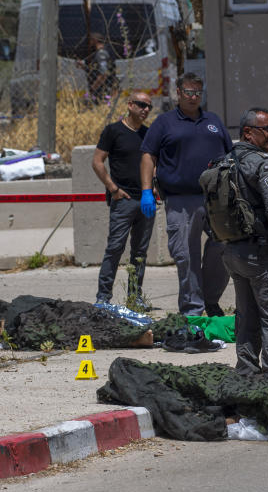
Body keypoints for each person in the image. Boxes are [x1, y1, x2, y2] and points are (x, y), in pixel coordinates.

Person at [139, 73, 233, 316]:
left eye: (198, 93)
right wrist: (146, 191)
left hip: (216, 200)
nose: (193, 97)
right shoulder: (164, 123)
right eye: (189, 93)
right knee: (186, 256)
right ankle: (192, 310)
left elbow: (231, 155)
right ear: (178, 93)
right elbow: (148, 155)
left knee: (225, 247)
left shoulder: (213, 120)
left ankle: (210, 301)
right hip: (181, 201)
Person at [222, 108, 268, 375]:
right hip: (263, 254)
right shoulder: (262, 163)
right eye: (266, 129)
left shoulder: (224, 161)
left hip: (234, 252)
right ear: (247, 133)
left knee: (246, 318)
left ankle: (246, 376)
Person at [92, 91, 155, 309]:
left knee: (140, 252)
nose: (145, 109)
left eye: (149, 106)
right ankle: (103, 296)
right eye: (141, 105)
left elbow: (154, 164)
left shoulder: (148, 135)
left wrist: (153, 189)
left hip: (145, 201)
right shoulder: (113, 131)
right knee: (115, 248)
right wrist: (113, 188)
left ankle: (134, 297)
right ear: (129, 105)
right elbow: (97, 161)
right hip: (124, 200)